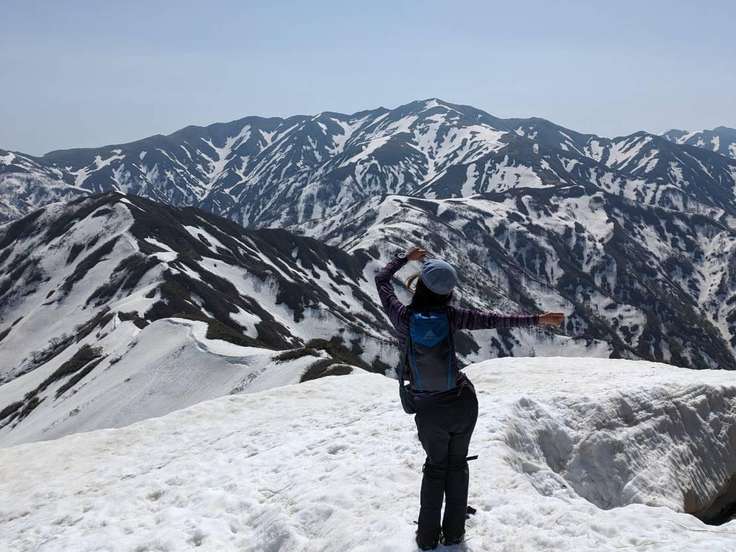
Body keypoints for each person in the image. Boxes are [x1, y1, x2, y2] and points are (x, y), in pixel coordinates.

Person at [375, 246, 564, 550]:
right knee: (457, 465)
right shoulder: (452, 317)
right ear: (448, 294)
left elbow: (381, 280)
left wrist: (404, 259)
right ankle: (454, 534)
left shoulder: (403, 318)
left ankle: (427, 537)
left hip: (429, 409)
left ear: (420, 286)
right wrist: (538, 319)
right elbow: (495, 320)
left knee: (435, 467)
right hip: (462, 402)